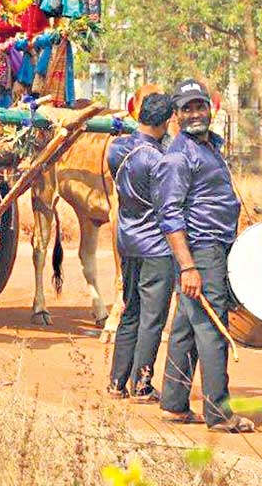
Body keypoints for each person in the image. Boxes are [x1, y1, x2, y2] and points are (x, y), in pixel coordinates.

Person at [154, 78, 253, 433]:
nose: (195, 113)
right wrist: (189, 266)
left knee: (185, 326)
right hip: (201, 249)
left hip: (217, 246)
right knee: (212, 328)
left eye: (200, 106)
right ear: (176, 115)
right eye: (187, 108)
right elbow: (170, 215)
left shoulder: (210, 146)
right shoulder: (179, 156)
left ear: (210, 108)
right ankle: (220, 414)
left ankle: (174, 404)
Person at [107, 92, 175, 401]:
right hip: (156, 247)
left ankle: (117, 382)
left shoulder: (116, 149)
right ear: (164, 123)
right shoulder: (157, 159)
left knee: (130, 310)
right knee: (152, 318)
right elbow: (168, 207)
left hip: (127, 241)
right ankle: (142, 384)